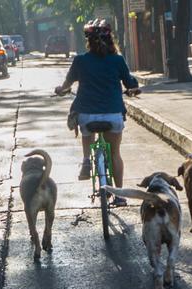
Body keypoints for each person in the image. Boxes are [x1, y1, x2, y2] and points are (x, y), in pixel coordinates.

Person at [55, 19, 140, 206]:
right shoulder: (117, 60)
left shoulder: (80, 61)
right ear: (110, 40)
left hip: (87, 115)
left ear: (88, 41)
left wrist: (61, 89)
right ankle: (119, 195)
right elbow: (129, 82)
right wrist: (134, 88)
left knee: (87, 132)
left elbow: (67, 84)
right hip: (113, 115)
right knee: (115, 153)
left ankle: (86, 160)